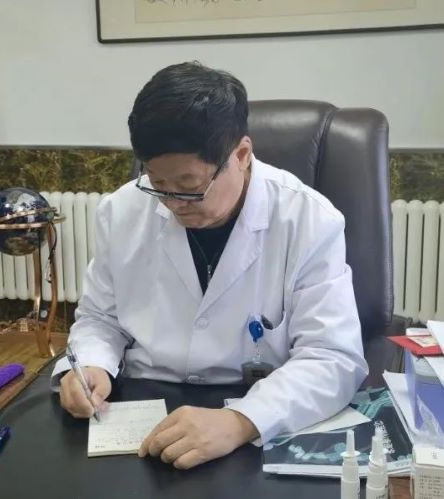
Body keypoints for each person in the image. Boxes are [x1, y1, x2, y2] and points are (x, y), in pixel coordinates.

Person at [52, 61, 368, 470]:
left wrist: (241, 421)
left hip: (259, 413)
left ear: (241, 155)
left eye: (190, 186)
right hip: (140, 405)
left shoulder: (308, 220)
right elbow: (100, 318)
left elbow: (332, 358)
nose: (172, 203)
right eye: (157, 184)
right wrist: (92, 363)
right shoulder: (121, 211)